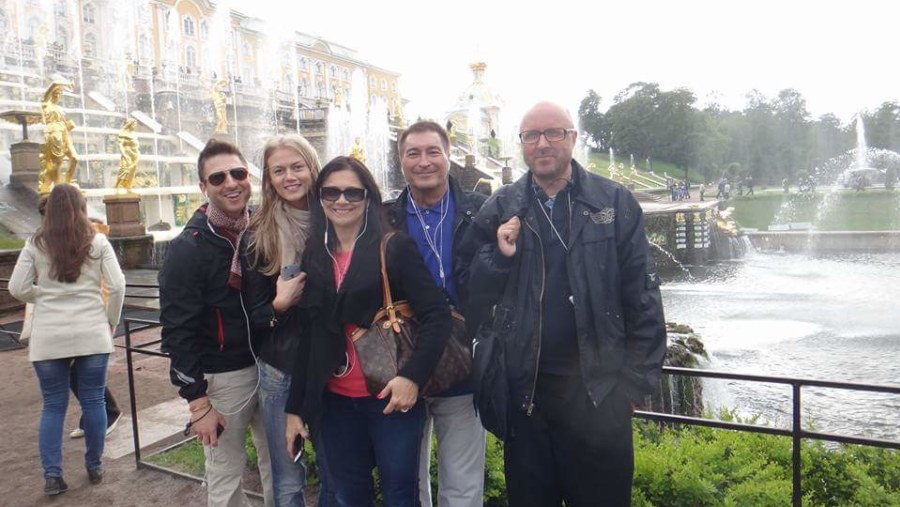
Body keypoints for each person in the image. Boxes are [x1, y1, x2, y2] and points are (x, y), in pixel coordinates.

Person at [461, 102, 667, 507]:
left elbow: (643, 296)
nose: (543, 143)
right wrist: (499, 258)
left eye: (554, 133)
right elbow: (472, 292)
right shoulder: (503, 206)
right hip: (528, 398)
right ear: (521, 144)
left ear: (572, 139)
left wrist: (633, 384)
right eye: (531, 136)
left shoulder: (613, 202)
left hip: (599, 396)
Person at [284, 156, 451, 507]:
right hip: (334, 403)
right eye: (331, 192)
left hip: (389, 398)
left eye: (352, 193)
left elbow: (437, 315)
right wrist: (296, 408)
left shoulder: (393, 247)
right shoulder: (316, 252)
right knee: (348, 496)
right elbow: (310, 336)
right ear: (320, 198)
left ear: (368, 198)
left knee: (400, 495)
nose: (341, 201)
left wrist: (412, 377)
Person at [159, 139, 273, 507]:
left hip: (271, 367)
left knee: (281, 467)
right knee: (225, 477)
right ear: (203, 187)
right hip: (224, 378)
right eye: (218, 177)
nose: (231, 183)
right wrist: (197, 403)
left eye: (238, 173)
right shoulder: (187, 248)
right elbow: (177, 331)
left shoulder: (263, 230)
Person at [388, 121, 487, 507]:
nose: (424, 161)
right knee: (407, 480)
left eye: (433, 151)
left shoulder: (480, 212)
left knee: (462, 484)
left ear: (448, 156)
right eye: (413, 153)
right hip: (402, 360)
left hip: (461, 363)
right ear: (401, 161)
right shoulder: (384, 217)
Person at [9, 184, 126, 496]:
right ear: (81, 209)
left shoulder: (35, 244)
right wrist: (110, 320)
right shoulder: (97, 241)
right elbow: (117, 286)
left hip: (49, 337)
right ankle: (94, 464)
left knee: (53, 406)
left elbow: (16, 287)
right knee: (93, 400)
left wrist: (43, 294)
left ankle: (52, 476)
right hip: (91, 331)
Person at [244, 134, 333, 507]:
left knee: (335, 469)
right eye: (279, 170)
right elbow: (252, 314)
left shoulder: (335, 218)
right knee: (287, 475)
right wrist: (278, 305)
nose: (289, 177)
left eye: (297, 167)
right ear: (268, 178)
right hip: (281, 366)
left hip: (331, 363)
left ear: (313, 168)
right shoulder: (258, 233)